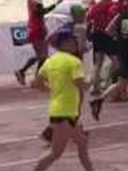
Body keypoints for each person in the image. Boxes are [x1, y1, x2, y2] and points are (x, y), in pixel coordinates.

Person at [31, 26, 94, 171]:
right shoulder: (74, 62)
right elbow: (81, 85)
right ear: (64, 43)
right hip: (65, 113)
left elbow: (36, 83)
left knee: (83, 142)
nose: (75, 43)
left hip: (62, 111)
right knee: (55, 153)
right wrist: (91, 81)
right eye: (73, 40)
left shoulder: (49, 61)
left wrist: (52, 90)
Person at [16, 0, 63, 86]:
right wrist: (56, 4)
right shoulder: (34, 0)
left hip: (39, 28)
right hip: (36, 29)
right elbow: (42, 11)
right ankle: (36, 78)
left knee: (42, 56)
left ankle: (26, 73)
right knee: (43, 56)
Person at [87, 0, 118, 95]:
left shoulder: (95, 6)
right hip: (108, 35)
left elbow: (89, 17)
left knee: (98, 63)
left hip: (97, 34)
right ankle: (110, 84)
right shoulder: (113, 5)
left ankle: (95, 87)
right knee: (116, 62)